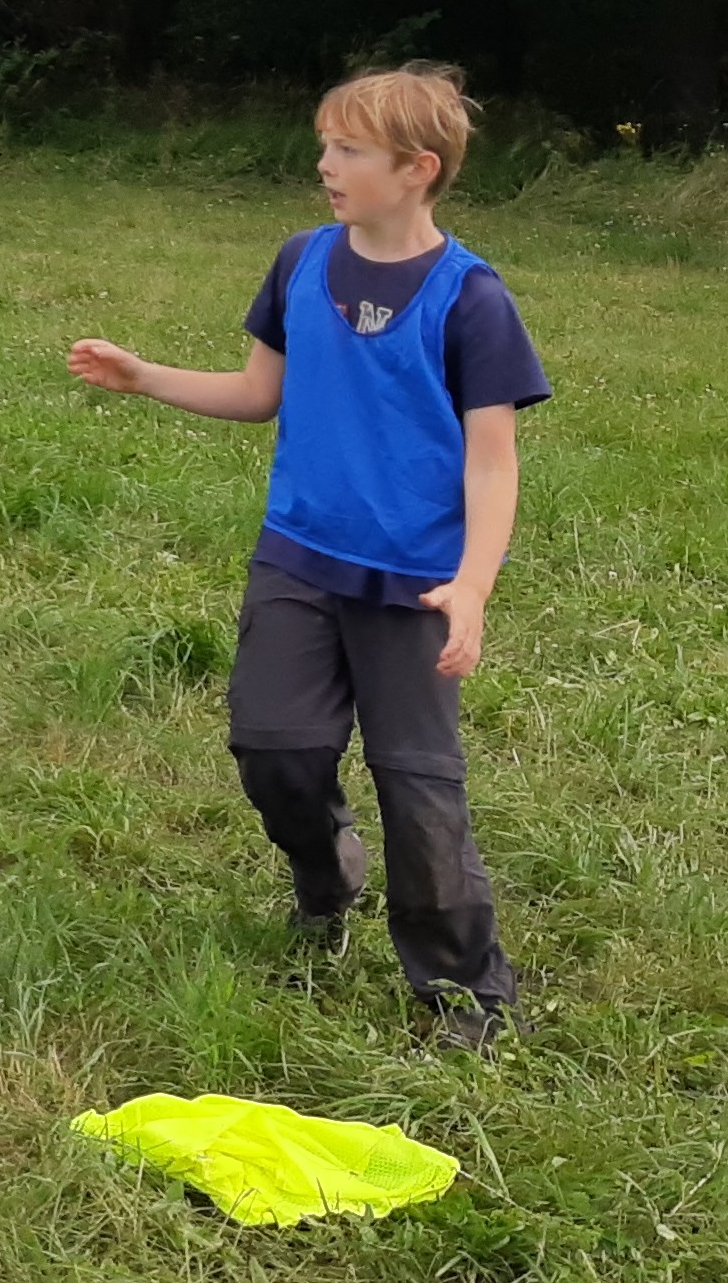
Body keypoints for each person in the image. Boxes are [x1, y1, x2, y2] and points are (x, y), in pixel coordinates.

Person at [66, 63, 540, 1049]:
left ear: (416, 169)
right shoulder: (300, 263)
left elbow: (492, 464)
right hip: (298, 558)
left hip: (415, 585)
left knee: (418, 788)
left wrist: (472, 588)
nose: (324, 164)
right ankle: (324, 875)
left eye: (348, 150)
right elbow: (258, 393)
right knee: (273, 749)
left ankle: (463, 993)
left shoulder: (471, 299)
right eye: (325, 145)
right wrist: (144, 376)